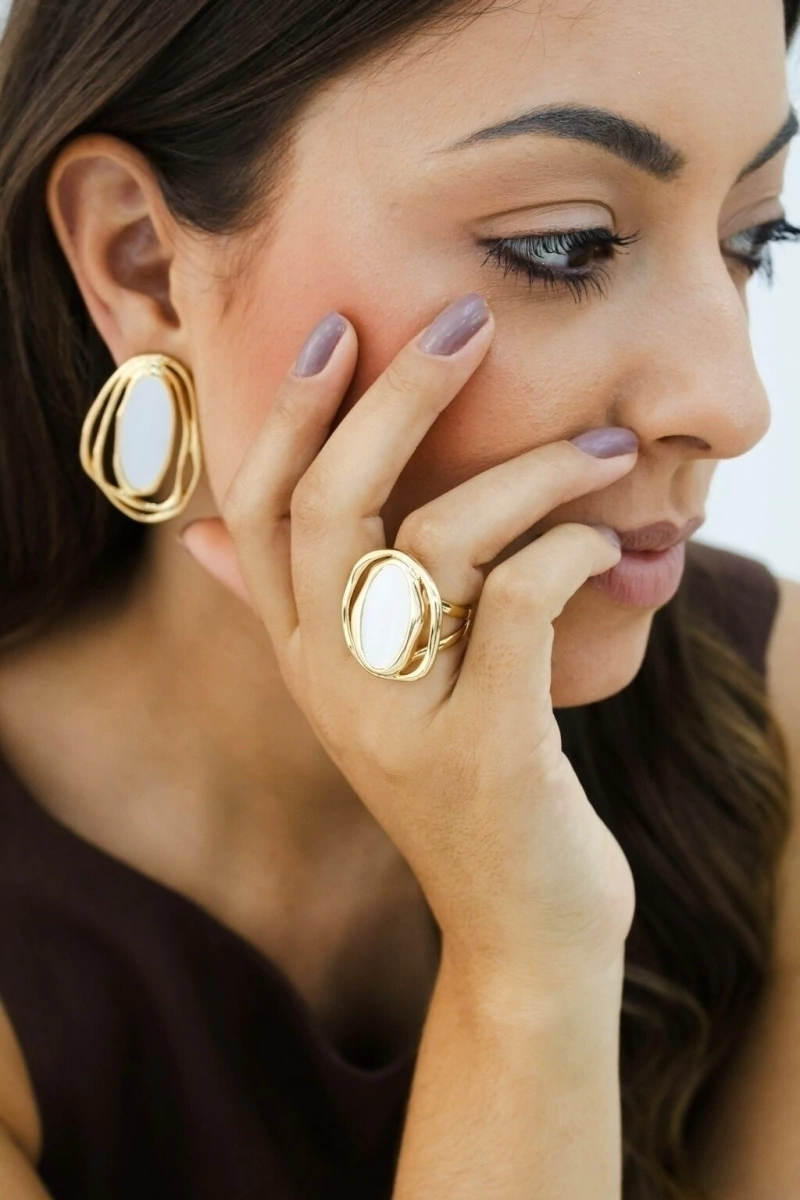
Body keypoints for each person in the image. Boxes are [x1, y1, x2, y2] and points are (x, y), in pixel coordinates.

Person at [0, 0, 799, 1196]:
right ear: (142, 262)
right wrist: (523, 964)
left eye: (753, 238)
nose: (731, 403)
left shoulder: (779, 718)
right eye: (563, 244)